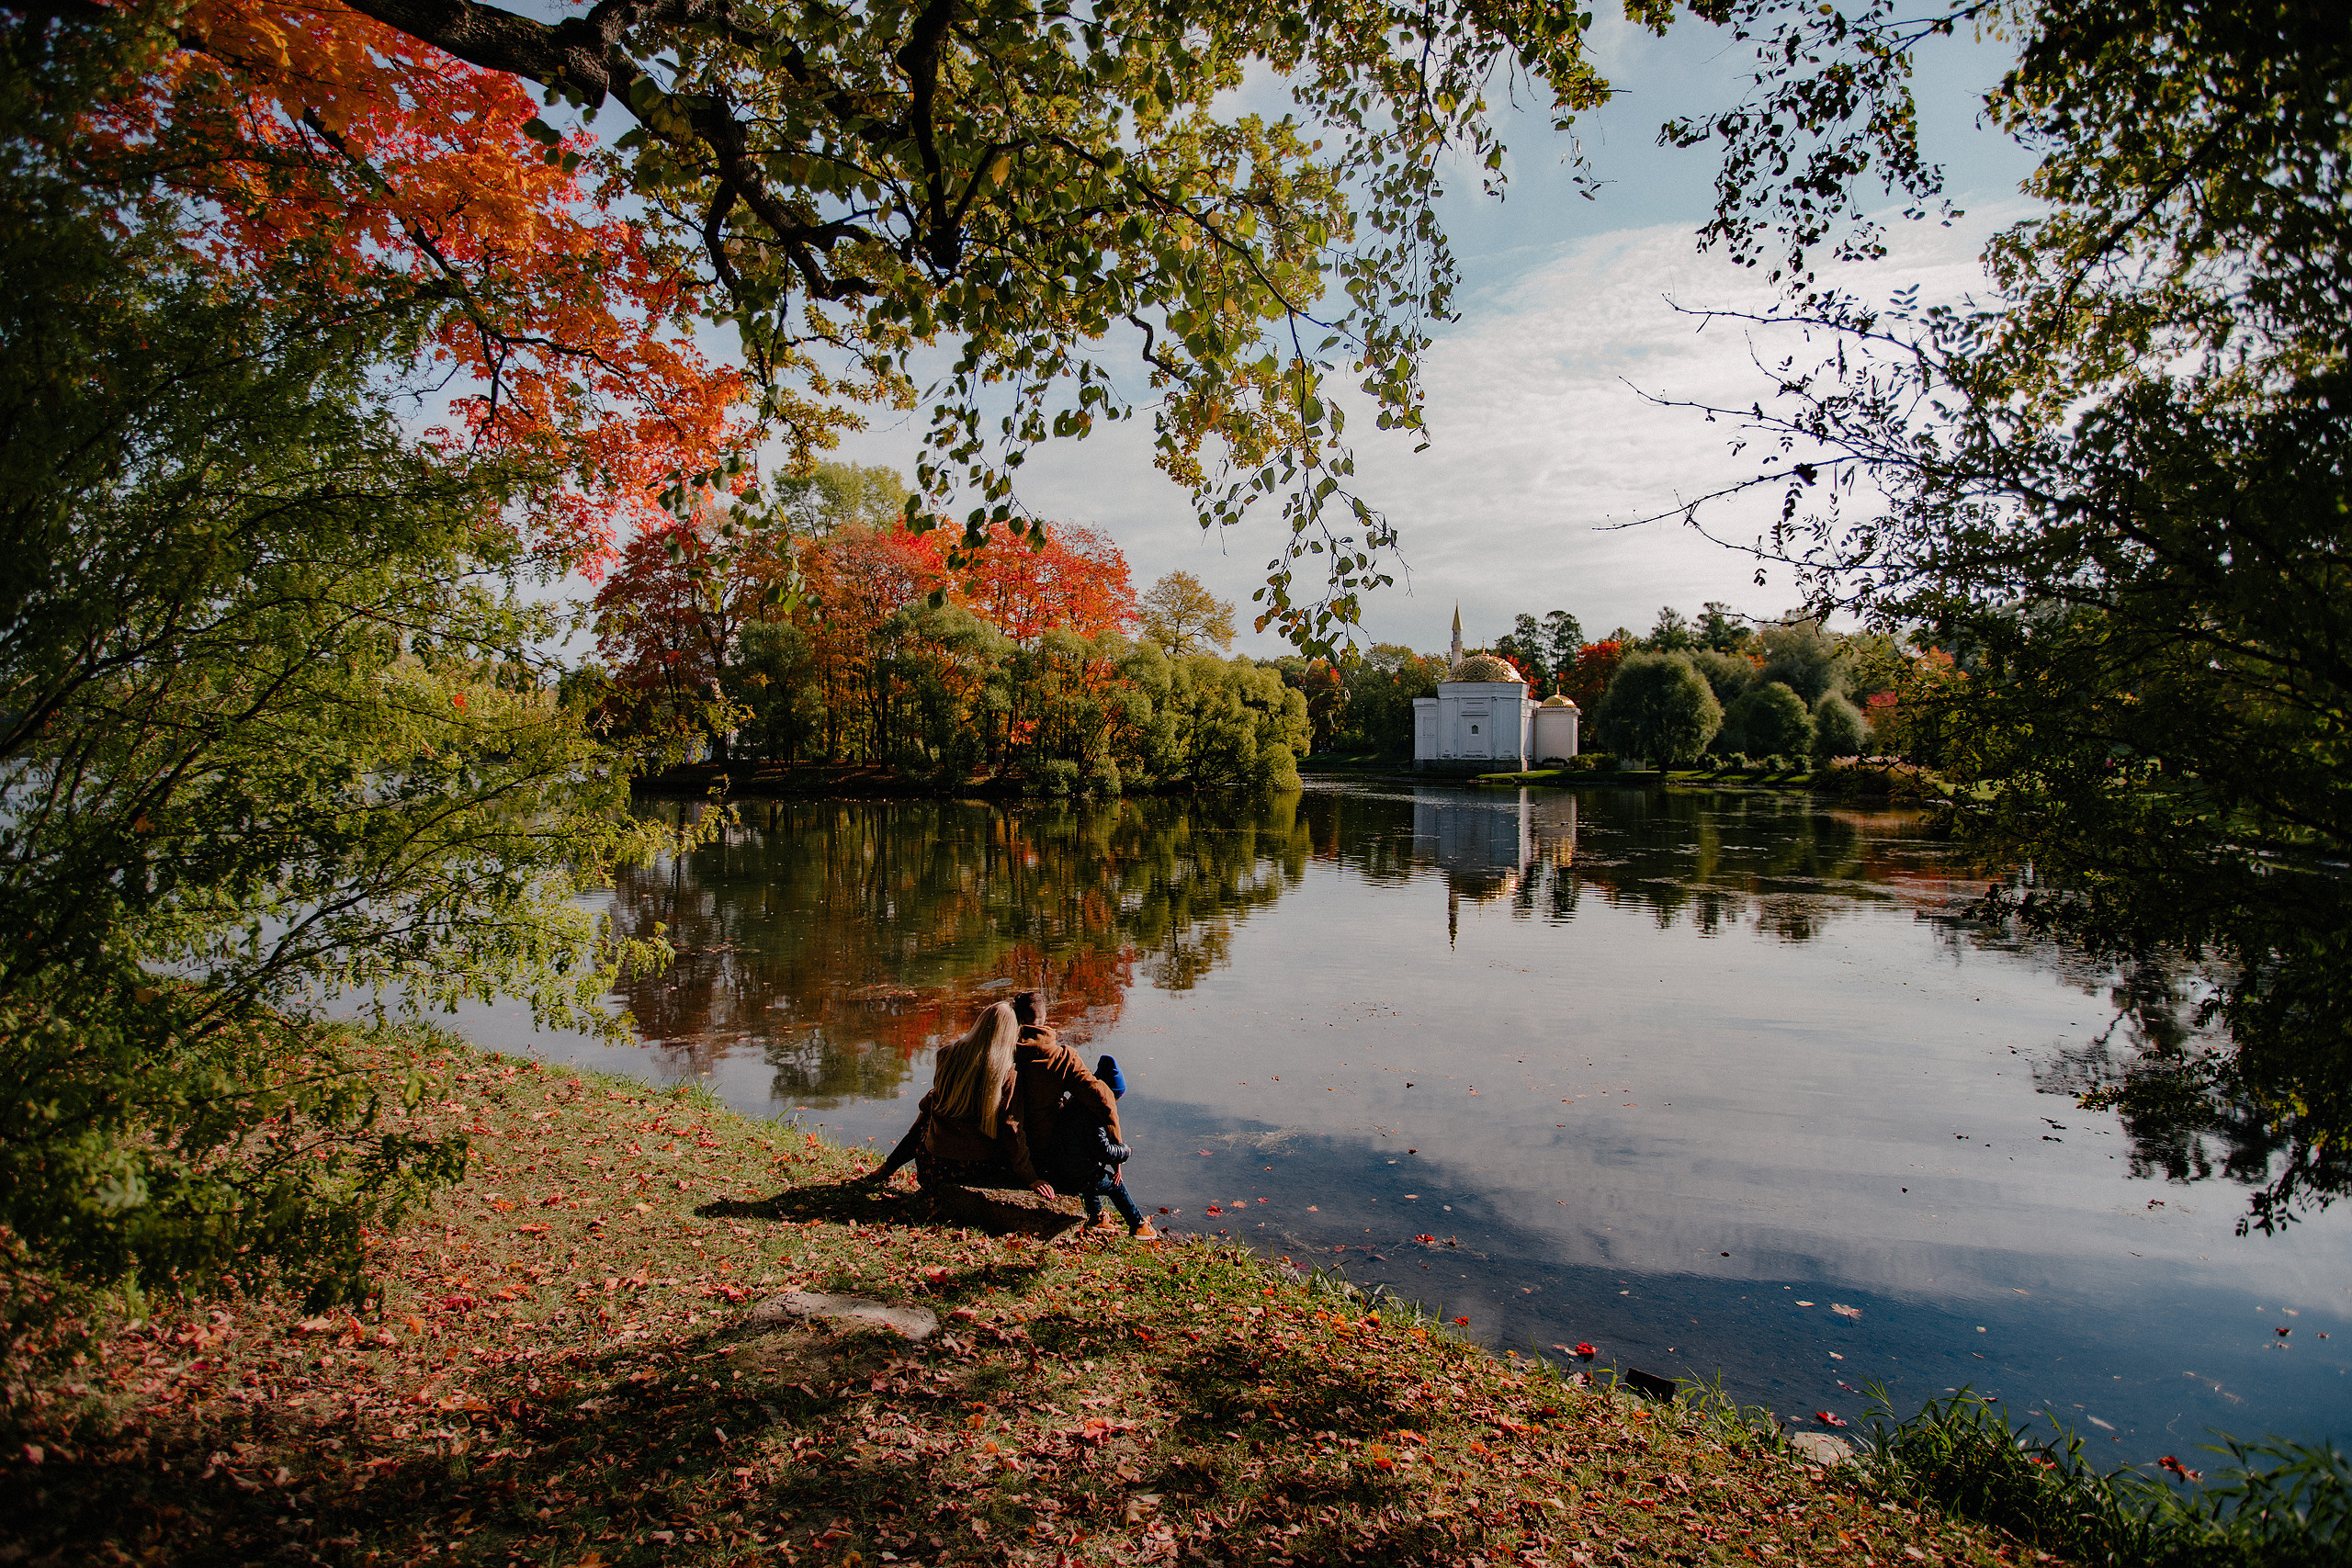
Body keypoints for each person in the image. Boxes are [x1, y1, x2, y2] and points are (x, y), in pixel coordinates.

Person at [868, 1000, 1054, 1198]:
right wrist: (1030, 1177)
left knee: (927, 1119)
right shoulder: (1007, 1072)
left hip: (932, 1169)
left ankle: (886, 1169)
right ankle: (887, 1169)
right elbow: (1011, 1128)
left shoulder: (947, 1054)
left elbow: (937, 1099)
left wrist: (925, 1109)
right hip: (976, 1170)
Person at [1012, 993, 1156, 1239]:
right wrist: (1122, 1153)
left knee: (1092, 1176)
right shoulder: (1061, 1058)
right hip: (1050, 1157)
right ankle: (1138, 1225)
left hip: (1018, 1151)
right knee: (1109, 1183)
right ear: (1045, 1019)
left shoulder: (1004, 1053)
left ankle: (1098, 1217)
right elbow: (1102, 1101)